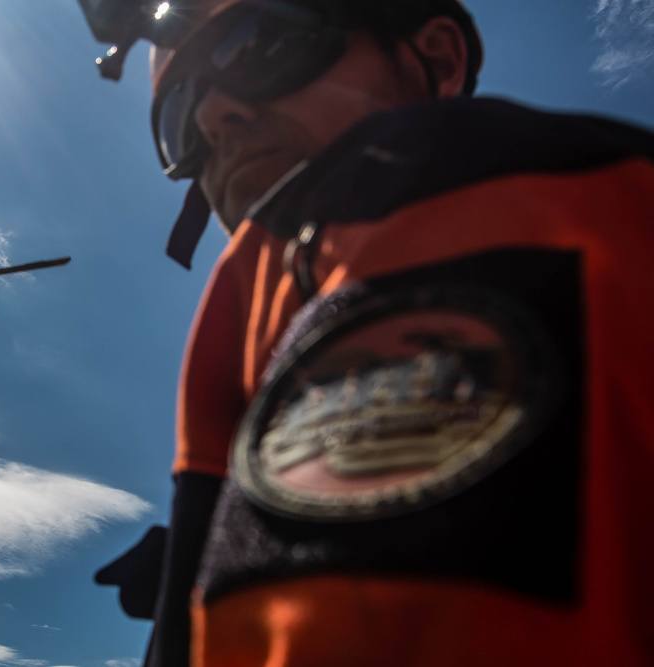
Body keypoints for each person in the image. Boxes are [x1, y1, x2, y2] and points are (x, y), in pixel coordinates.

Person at [83, 1, 654, 665]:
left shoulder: (525, 194)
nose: (212, 116)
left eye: (259, 45)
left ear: (435, 58)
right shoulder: (256, 317)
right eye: (178, 115)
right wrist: (205, 561)